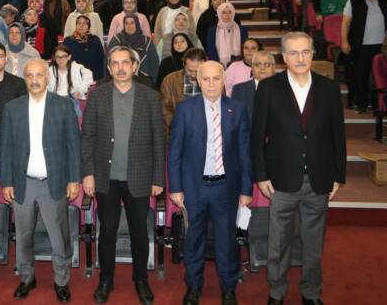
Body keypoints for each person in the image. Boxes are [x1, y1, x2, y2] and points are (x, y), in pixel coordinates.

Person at [252, 32, 346, 305]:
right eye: (293, 53)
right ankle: (276, 291)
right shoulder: (268, 88)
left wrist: (338, 176)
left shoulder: (329, 88)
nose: (300, 58)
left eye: (305, 51)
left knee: (313, 243)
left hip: (319, 178)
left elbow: (337, 135)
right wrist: (261, 175)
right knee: (278, 242)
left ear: (313, 53)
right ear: (284, 57)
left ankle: (311, 292)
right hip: (280, 179)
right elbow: (257, 137)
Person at [82, 45, 165, 304]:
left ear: (134, 66)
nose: (120, 68)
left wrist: (158, 178)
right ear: (109, 68)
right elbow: (88, 137)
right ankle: (106, 279)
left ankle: (141, 279)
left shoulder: (150, 96)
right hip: (105, 177)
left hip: (139, 177)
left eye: (125, 63)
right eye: (115, 63)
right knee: (107, 232)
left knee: (139, 232)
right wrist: (88, 173)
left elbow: (159, 140)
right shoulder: (97, 96)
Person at [169, 60, 252, 305]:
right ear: (198, 80)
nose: (212, 84)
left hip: (226, 188)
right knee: (194, 240)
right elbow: (175, 153)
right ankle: (193, 287)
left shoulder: (237, 109)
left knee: (227, 241)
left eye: (216, 78)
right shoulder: (185, 109)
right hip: (194, 188)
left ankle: (229, 288)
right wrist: (176, 187)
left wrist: (246, 189)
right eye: (206, 79)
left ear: (223, 80)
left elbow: (245, 153)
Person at [1, 59, 80, 303]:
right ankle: (26, 278)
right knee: (23, 236)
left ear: (47, 77)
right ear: (25, 79)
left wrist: (74, 179)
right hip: (22, 183)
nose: (34, 80)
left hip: (53, 182)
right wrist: (7, 181)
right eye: (29, 76)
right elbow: (6, 147)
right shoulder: (12, 107)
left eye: (39, 75)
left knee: (59, 237)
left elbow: (73, 145)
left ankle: (61, 281)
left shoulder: (64, 105)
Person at [342, 0, 387, 113]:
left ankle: (379, 105)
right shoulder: (353, 1)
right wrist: (344, 41)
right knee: (360, 76)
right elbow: (345, 23)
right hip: (361, 45)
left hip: (382, 46)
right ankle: (361, 104)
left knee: (381, 77)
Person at [160, 48, 207, 135]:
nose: (193, 75)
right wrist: (178, 125)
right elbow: (165, 109)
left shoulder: (214, 81)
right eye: (190, 70)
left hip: (206, 131)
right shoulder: (170, 80)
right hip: (179, 131)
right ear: (184, 64)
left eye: (198, 71)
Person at [107, 16, 159, 82]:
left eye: (132, 23)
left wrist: (153, 83)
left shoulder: (147, 41)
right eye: (126, 23)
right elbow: (108, 61)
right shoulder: (116, 40)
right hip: (120, 80)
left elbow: (154, 64)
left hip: (144, 81)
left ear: (137, 24)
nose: (129, 26)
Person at [230, 50, 276, 125]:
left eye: (267, 64)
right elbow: (236, 121)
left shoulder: (283, 90)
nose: (262, 68)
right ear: (252, 67)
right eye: (258, 64)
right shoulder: (239, 90)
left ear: (274, 67)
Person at [47, 45, 94, 114]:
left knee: (75, 118)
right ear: (54, 58)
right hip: (55, 102)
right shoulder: (50, 70)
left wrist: (81, 90)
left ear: (69, 57)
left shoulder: (77, 68)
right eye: (58, 57)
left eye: (64, 56)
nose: (61, 59)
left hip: (72, 101)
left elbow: (88, 75)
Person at [206, 2, 248, 67]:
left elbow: (244, 49)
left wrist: (236, 64)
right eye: (224, 12)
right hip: (217, 65)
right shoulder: (212, 31)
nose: (227, 15)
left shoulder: (242, 30)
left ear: (233, 14)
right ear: (219, 14)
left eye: (229, 12)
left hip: (238, 64)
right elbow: (211, 50)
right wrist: (218, 65)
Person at [63, 14, 105, 80]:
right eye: (78, 23)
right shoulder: (68, 41)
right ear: (76, 25)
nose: (81, 26)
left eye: (84, 23)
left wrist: (100, 79)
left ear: (89, 26)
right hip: (74, 78)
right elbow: (64, 61)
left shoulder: (95, 40)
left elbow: (101, 60)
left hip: (94, 77)